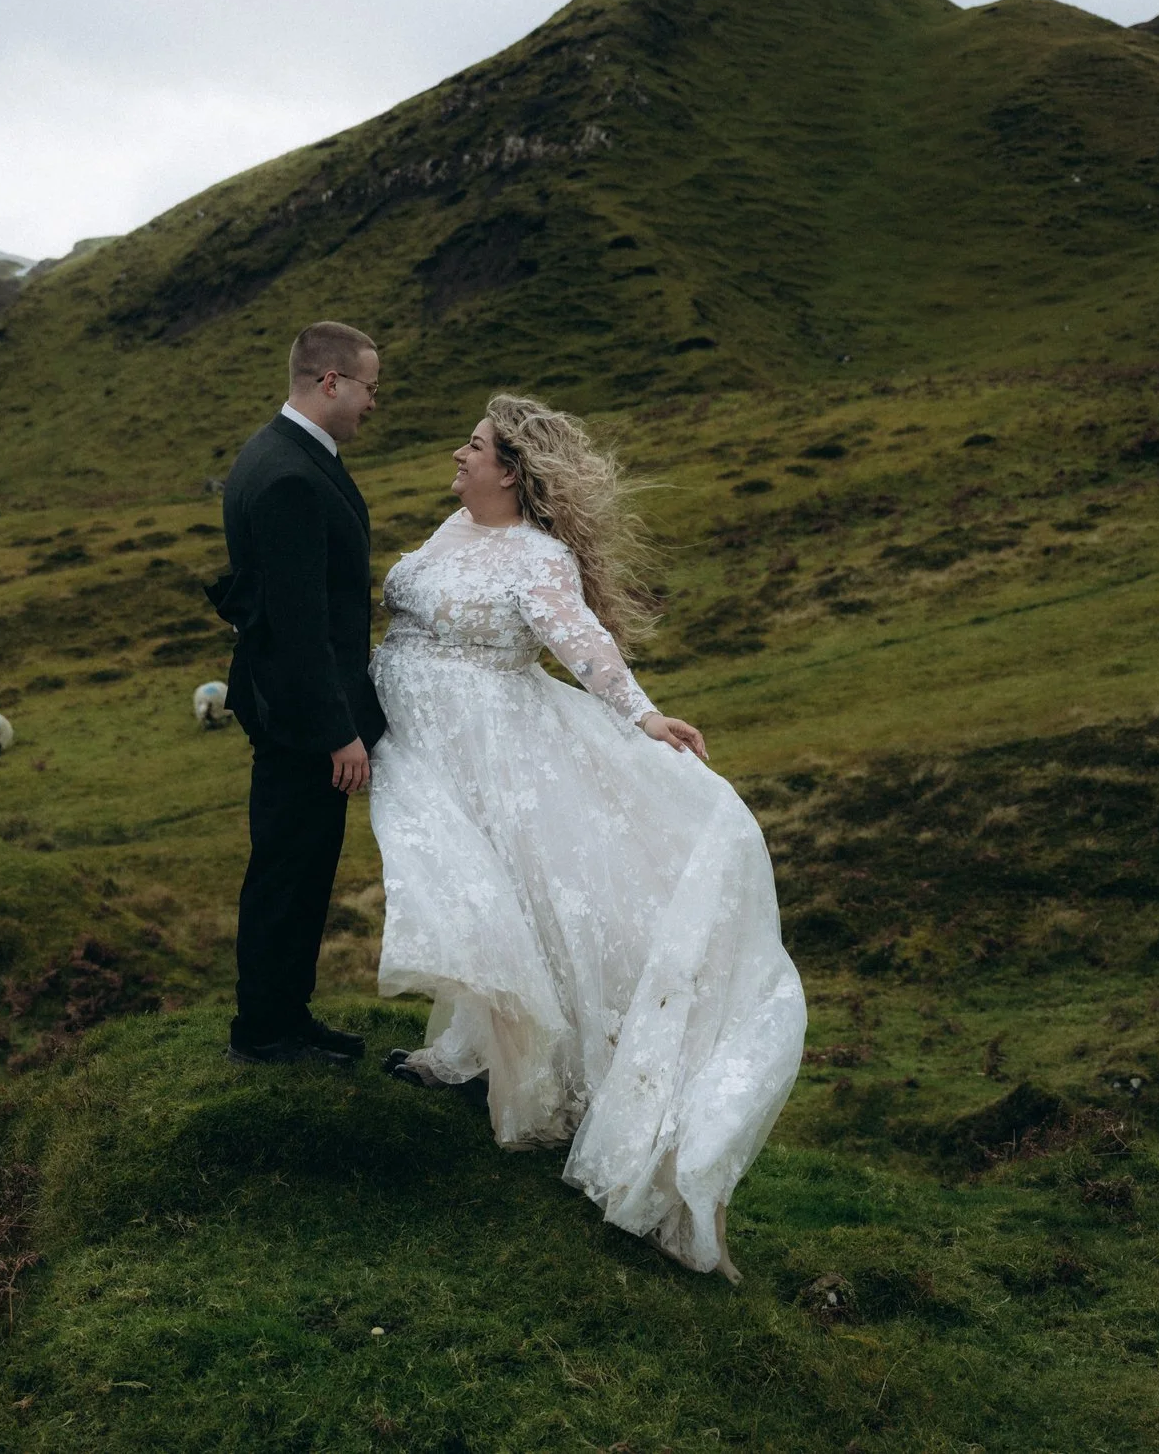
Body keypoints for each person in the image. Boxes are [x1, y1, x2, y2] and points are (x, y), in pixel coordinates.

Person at [369, 394, 805, 1280]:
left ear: (512, 472)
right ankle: (468, 1050)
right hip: (428, 739)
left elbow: (587, 646)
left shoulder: (538, 557)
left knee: (506, 895)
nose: (459, 453)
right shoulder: (453, 527)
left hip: (493, 749)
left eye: (477, 446)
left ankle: (559, 1083)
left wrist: (644, 717)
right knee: (481, 895)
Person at [209, 321, 387, 1065]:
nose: (374, 404)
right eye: (369, 387)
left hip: (285, 704)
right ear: (330, 382)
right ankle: (266, 1030)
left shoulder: (276, 452)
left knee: (301, 863)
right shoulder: (287, 475)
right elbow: (298, 621)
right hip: (298, 716)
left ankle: (287, 1012)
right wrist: (336, 730)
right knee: (289, 866)